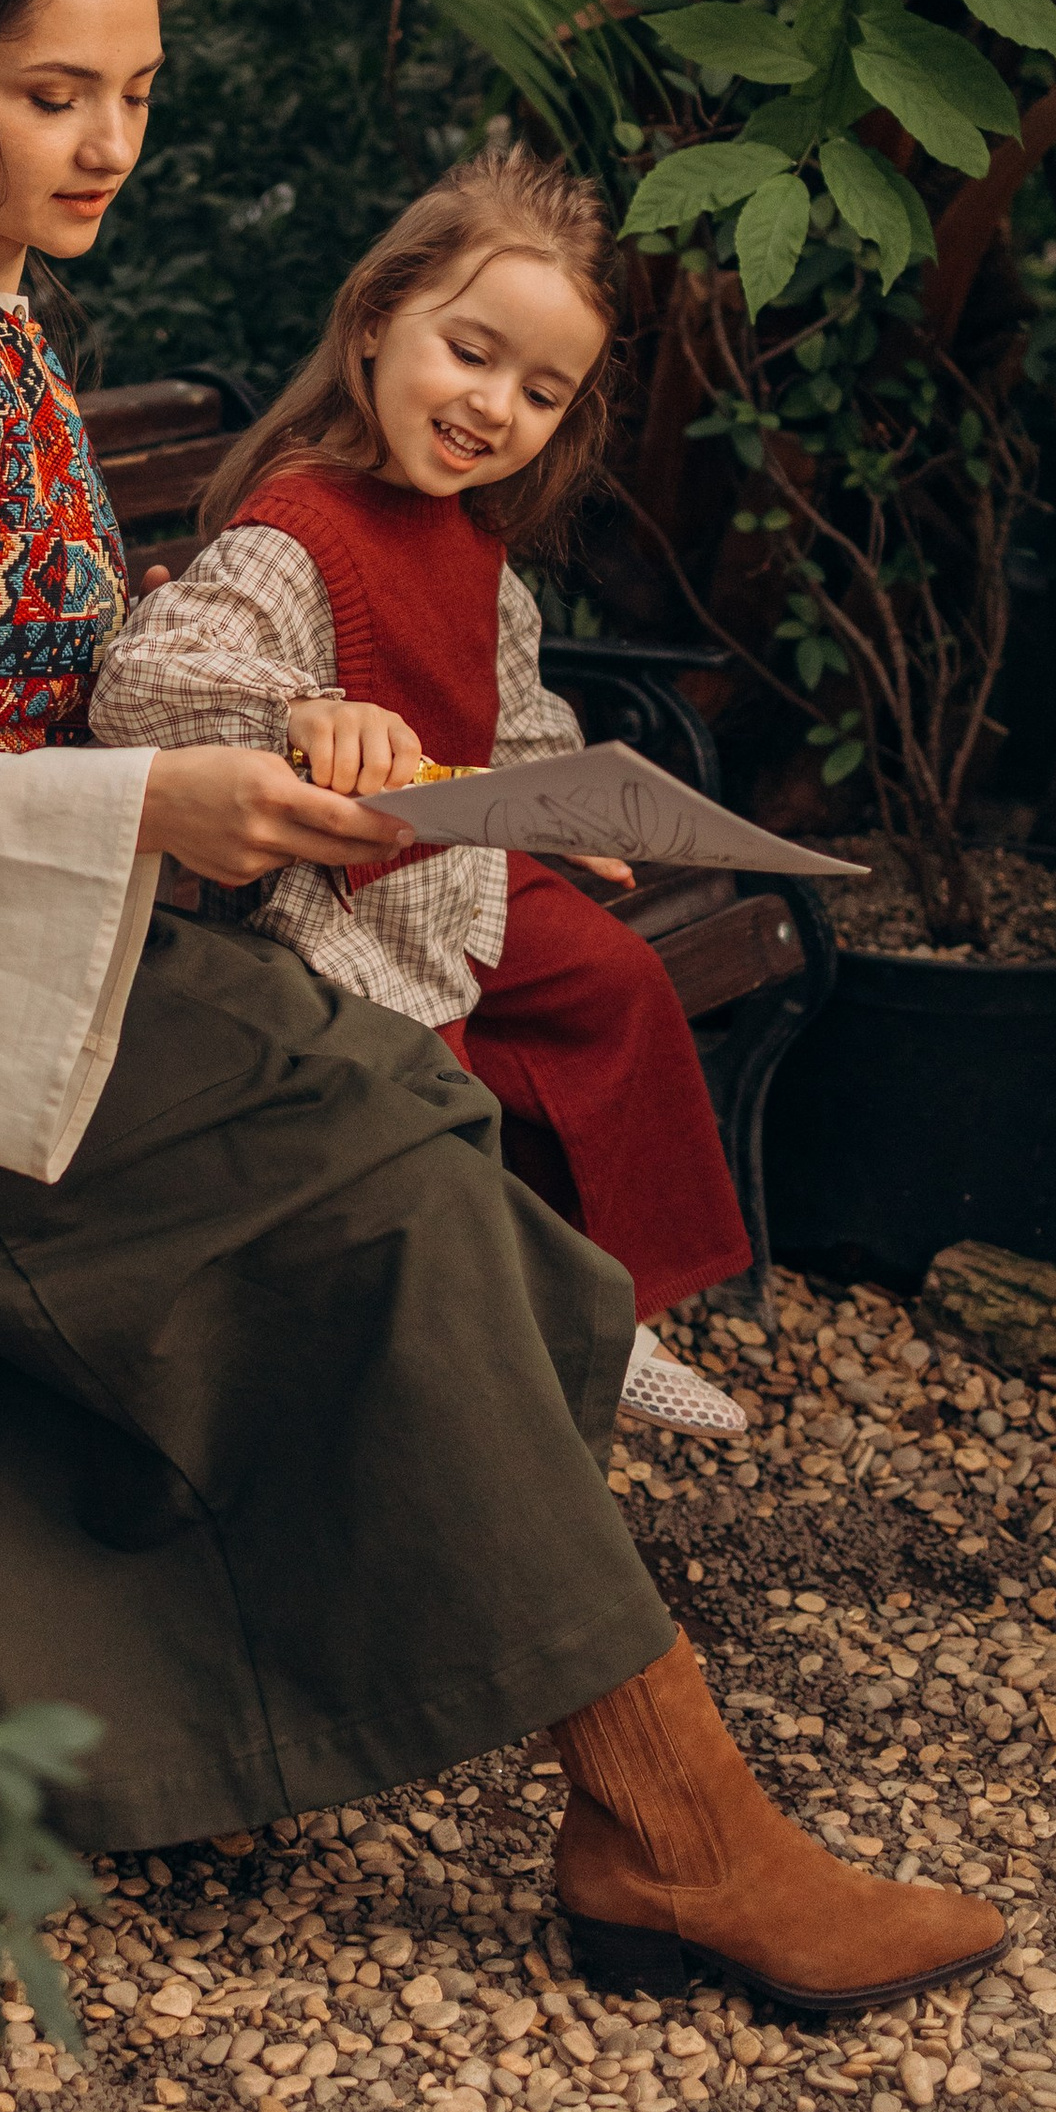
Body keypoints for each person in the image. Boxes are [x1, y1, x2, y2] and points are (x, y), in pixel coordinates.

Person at [0, 0, 1001, 2013]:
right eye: (50, 90)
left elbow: (45, 671)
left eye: (133, 92)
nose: (105, 142)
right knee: (381, 1184)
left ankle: (235, 1726)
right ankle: (669, 1825)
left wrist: (266, 766)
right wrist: (156, 795)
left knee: (412, 1140)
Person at [88, 149, 755, 1438]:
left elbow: (513, 711)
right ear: (380, 319)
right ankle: (524, 1339)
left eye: (541, 391)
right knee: (433, 1090)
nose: (493, 405)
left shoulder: (476, 547)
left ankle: (628, 1298)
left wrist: (565, 802)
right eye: (469, 352)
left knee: (616, 986)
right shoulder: (297, 531)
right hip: (335, 903)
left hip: (464, 867)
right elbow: (149, 675)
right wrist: (296, 709)